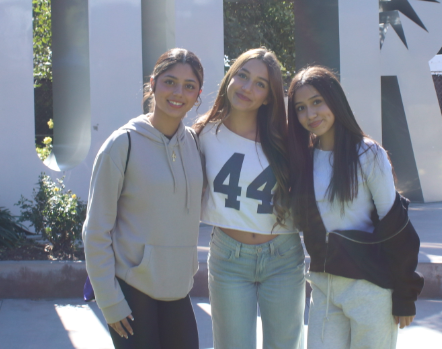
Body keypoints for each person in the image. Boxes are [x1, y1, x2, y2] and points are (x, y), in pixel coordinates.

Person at [287, 65, 424, 349]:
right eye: (300, 108)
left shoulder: (368, 153)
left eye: (316, 102)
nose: (310, 114)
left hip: (370, 288)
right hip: (324, 288)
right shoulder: (304, 160)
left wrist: (404, 295)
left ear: (334, 100)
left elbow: (395, 225)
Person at [82, 48, 205, 349]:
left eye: (189, 86)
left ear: (198, 94)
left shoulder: (194, 144)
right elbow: (95, 230)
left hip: (178, 289)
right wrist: (110, 301)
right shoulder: (122, 144)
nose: (178, 93)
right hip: (132, 290)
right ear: (152, 83)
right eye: (170, 82)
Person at [195, 48, 305, 349]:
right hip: (229, 258)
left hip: (283, 256)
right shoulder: (202, 135)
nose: (247, 87)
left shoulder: (287, 138)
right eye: (242, 76)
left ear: (269, 96)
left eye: (260, 83)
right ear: (230, 77)